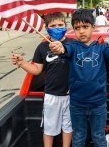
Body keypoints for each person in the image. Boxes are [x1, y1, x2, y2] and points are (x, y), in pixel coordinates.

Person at [49, 9, 109, 147]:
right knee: (78, 138)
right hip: (77, 104)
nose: (82, 31)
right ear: (73, 30)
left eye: (85, 27)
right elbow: (64, 51)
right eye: (77, 28)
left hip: (98, 104)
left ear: (93, 27)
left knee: (99, 137)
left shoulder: (102, 47)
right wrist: (60, 49)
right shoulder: (72, 46)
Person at [11, 12, 73, 147]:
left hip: (71, 95)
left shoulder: (73, 44)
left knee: (68, 127)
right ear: (47, 28)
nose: (57, 28)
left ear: (66, 26)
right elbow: (37, 70)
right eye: (53, 25)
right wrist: (22, 63)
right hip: (52, 95)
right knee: (49, 128)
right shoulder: (42, 47)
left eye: (60, 25)